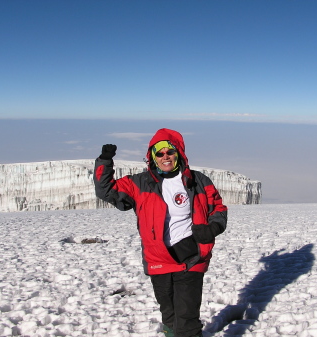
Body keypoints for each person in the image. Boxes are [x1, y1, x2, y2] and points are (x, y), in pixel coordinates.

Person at [94, 128, 228, 337]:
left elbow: (217, 208)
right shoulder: (139, 183)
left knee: (187, 320)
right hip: (158, 259)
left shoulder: (198, 181)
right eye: (159, 153)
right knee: (169, 314)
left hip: (191, 257)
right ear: (152, 157)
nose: (165, 156)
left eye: (170, 152)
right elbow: (107, 191)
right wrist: (105, 161)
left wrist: (213, 227)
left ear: (179, 154)